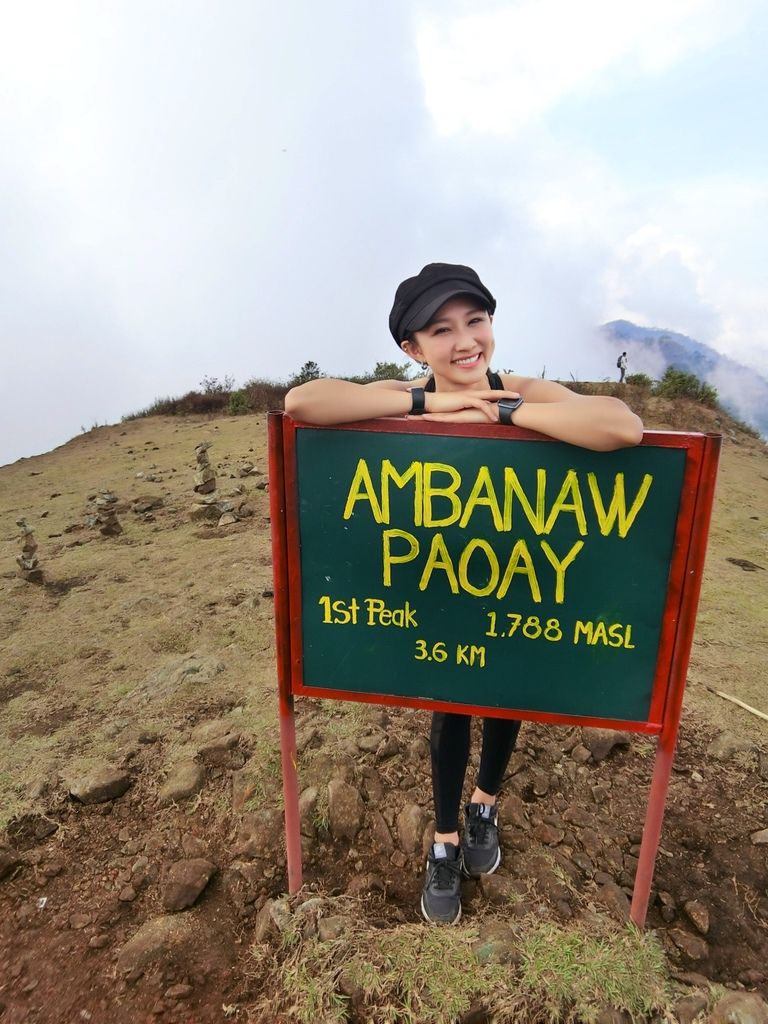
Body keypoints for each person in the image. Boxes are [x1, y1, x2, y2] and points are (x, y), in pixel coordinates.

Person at [285, 262, 643, 925]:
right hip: (440, 586)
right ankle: (446, 837)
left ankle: (485, 804)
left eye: (475, 321)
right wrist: (430, 403)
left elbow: (621, 426)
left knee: (508, 694)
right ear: (412, 348)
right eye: (441, 329)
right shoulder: (406, 391)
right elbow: (303, 404)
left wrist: (509, 412)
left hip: (514, 578)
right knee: (451, 707)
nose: (465, 341)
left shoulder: (519, 386)